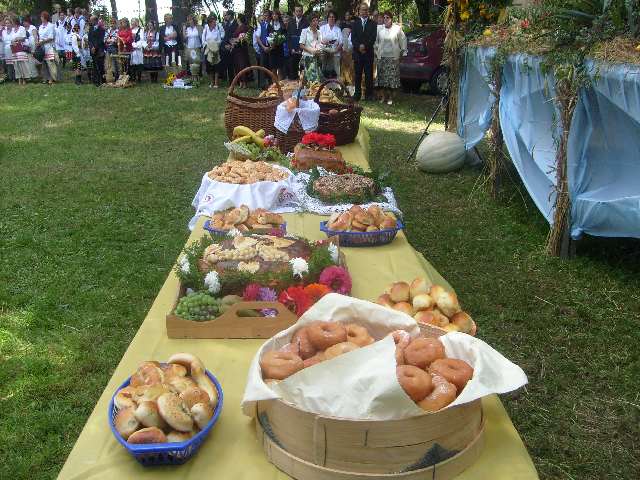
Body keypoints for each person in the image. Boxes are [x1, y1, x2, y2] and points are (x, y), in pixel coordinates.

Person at [374, 11, 407, 105]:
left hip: (393, 58)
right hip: (382, 57)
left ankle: (391, 98)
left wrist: (403, 53)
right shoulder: (379, 29)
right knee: (382, 79)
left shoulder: (397, 29)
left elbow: (403, 41)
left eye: (387, 17)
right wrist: (376, 52)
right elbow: (376, 42)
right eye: (384, 18)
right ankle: (384, 97)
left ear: (391, 19)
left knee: (392, 80)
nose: (385, 19)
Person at [351, 2, 377, 101]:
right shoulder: (355, 24)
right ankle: (357, 94)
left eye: (366, 10)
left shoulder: (373, 24)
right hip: (357, 54)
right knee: (357, 75)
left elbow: (372, 38)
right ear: (359, 11)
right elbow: (353, 38)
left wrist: (364, 46)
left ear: (368, 11)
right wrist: (359, 47)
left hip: (368, 53)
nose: (364, 11)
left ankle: (369, 95)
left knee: (369, 75)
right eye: (362, 9)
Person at [299, 13, 323, 83]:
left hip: (317, 58)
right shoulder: (305, 31)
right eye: (313, 21)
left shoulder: (319, 32)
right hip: (307, 58)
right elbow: (301, 45)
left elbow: (320, 44)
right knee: (310, 80)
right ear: (310, 22)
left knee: (318, 80)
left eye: (316, 20)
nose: (315, 22)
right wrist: (311, 51)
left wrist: (320, 50)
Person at [201, 14, 224, 88]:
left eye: (215, 22)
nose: (215, 23)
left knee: (216, 66)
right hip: (208, 50)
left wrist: (215, 45)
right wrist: (206, 45)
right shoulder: (206, 28)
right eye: (214, 22)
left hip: (215, 50)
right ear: (210, 23)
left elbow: (219, 40)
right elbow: (203, 38)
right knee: (209, 66)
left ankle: (216, 83)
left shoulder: (217, 29)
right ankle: (211, 82)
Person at [286, 4, 308, 80]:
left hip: (303, 51)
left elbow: (308, 37)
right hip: (293, 52)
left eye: (300, 11)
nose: (298, 13)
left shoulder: (306, 22)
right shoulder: (290, 22)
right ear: (294, 12)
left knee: (303, 73)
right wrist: (291, 49)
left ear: (302, 12)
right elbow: (288, 38)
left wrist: (302, 49)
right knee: (292, 73)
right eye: (297, 11)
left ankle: (302, 85)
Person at [230, 13, 251, 88]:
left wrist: (238, 39)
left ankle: (245, 82)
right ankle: (240, 82)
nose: (236, 19)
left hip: (242, 48)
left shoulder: (244, 27)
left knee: (242, 65)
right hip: (236, 49)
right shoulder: (237, 27)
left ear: (239, 19)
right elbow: (234, 36)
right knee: (237, 66)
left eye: (237, 18)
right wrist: (232, 41)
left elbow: (244, 37)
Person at [319, 10, 342, 79]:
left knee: (336, 56)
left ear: (335, 19)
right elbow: (319, 40)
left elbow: (341, 43)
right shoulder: (322, 28)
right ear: (327, 18)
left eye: (333, 17)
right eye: (330, 17)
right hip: (324, 50)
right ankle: (323, 76)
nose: (331, 18)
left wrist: (335, 50)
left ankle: (336, 79)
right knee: (323, 55)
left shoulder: (338, 29)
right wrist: (324, 42)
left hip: (335, 51)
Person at [38, 11, 58, 84]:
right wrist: (39, 43)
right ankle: (46, 78)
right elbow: (40, 36)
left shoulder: (51, 26)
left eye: (42, 17)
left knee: (50, 64)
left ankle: (52, 78)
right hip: (42, 47)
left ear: (45, 18)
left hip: (49, 46)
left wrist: (42, 42)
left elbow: (51, 37)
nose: (41, 18)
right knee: (44, 64)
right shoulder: (40, 26)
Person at [267, 10, 286, 80]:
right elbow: (268, 35)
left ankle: (280, 83)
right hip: (272, 49)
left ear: (278, 15)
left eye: (276, 14)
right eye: (273, 14)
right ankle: (274, 84)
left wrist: (280, 40)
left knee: (280, 68)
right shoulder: (269, 25)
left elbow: (285, 35)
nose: (274, 16)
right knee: (273, 68)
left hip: (280, 49)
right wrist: (271, 43)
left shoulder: (282, 24)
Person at [255, 10, 271, 87]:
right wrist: (263, 47)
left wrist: (270, 47)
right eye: (264, 15)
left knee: (271, 67)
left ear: (269, 16)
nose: (265, 17)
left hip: (272, 49)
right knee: (263, 66)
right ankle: (263, 85)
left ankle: (272, 84)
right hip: (263, 48)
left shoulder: (272, 24)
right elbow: (257, 37)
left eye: (267, 15)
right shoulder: (260, 25)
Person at [10, 17, 28, 85]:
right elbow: (11, 39)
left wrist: (17, 39)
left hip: (20, 47)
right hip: (14, 47)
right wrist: (12, 41)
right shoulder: (12, 29)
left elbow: (24, 38)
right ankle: (19, 78)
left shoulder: (21, 28)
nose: (11, 23)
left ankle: (24, 78)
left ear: (15, 21)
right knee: (16, 64)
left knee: (22, 63)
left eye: (12, 21)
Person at [88, 15, 105, 86]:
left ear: (95, 21)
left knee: (100, 66)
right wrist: (91, 47)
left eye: (91, 20)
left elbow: (101, 40)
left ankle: (102, 80)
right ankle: (96, 80)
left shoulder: (101, 29)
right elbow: (89, 39)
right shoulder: (91, 29)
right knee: (94, 65)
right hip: (92, 50)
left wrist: (95, 47)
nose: (90, 21)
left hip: (99, 50)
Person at [220, 10, 237, 84]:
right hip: (227, 46)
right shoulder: (227, 24)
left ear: (230, 15)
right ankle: (231, 81)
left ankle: (237, 81)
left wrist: (231, 44)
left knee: (235, 64)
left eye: (226, 15)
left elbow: (236, 35)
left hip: (235, 46)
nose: (225, 16)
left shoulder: (236, 23)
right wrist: (225, 44)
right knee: (229, 64)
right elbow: (225, 36)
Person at [22, 17, 39, 81]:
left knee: (32, 60)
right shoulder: (23, 29)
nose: (24, 23)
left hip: (32, 45)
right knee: (27, 61)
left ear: (28, 22)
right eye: (23, 22)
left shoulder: (32, 27)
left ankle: (35, 75)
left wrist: (36, 46)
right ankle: (29, 75)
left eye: (25, 22)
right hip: (26, 47)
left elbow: (35, 37)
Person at [130, 18, 144, 82]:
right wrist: (132, 45)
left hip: (138, 49)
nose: (132, 23)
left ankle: (139, 78)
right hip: (131, 49)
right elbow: (129, 40)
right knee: (132, 64)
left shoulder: (140, 30)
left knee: (139, 63)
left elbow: (142, 40)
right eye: (132, 21)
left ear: (136, 23)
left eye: (133, 21)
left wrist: (136, 46)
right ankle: (133, 78)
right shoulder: (130, 30)